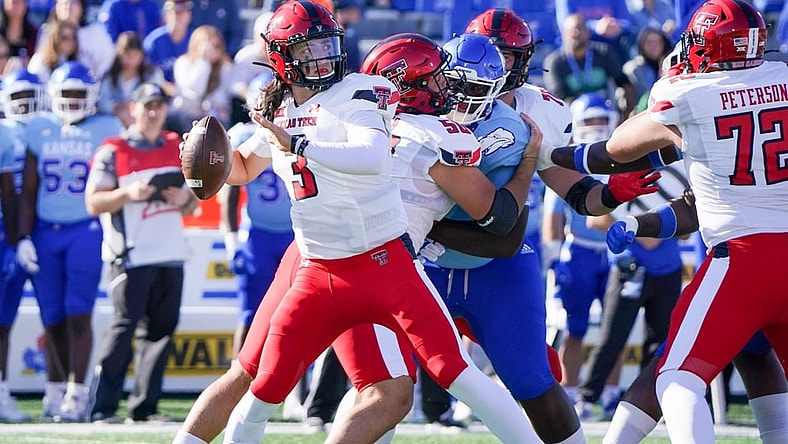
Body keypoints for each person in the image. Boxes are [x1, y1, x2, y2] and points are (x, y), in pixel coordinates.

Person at [172, 13, 544, 442]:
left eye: (327, 46)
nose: (323, 59)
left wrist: (298, 145)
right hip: (318, 267)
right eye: (309, 50)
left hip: (383, 262)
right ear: (280, 57)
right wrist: (199, 160)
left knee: (444, 374)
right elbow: (240, 168)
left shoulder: (361, 92)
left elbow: (370, 157)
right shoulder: (282, 109)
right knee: (263, 385)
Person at [550, 0, 788, 441]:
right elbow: (706, 186)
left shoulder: (687, 94)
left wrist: (549, 153)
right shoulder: (782, 78)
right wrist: (642, 224)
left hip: (743, 257)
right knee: (737, 358)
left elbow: (610, 153)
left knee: (677, 378)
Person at [459, 10, 658, 443]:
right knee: (389, 381)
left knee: (532, 379)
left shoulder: (540, 109)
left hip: (497, 252)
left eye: (510, 56)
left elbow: (574, 190)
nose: (500, 66)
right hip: (423, 254)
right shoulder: (434, 96)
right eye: (491, 54)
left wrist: (611, 193)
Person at [86, 82, 197, 424]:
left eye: (159, 106)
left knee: (161, 331)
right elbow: (93, 202)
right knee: (123, 330)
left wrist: (186, 200)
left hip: (169, 251)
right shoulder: (113, 150)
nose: (153, 112)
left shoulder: (176, 145)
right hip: (130, 254)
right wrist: (126, 193)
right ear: (133, 108)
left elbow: (193, 205)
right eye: (147, 106)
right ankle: (102, 407)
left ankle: (144, 406)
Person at [18, 61, 123, 422]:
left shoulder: (106, 128)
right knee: (53, 317)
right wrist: (23, 237)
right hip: (46, 232)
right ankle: (55, 388)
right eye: (68, 94)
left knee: (79, 313)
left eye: (81, 93)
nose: (74, 100)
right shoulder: (40, 128)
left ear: (92, 96)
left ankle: (77, 393)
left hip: (86, 228)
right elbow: (29, 190)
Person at [542, 93, 619, 419]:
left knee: (615, 331)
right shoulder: (568, 162)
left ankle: (611, 394)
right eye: (591, 122)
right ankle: (571, 391)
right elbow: (553, 221)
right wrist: (556, 258)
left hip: (616, 254)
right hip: (581, 253)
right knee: (574, 328)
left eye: (603, 121)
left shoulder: (623, 157)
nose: (598, 128)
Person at [0, 68, 46, 423]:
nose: (25, 105)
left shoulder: (47, 129)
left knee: (5, 320)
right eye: (18, 97)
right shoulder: (4, 132)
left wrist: (22, 236)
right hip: (9, 231)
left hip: (27, 231)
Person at [543, 13, 636, 116]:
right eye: (572, 30)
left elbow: (625, 84)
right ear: (563, 35)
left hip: (605, 114)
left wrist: (627, 113)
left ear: (588, 33)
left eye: (580, 28)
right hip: (573, 118)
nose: (576, 33)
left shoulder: (604, 52)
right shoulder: (554, 62)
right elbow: (557, 99)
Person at [169, 24, 234, 134]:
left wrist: (209, 108)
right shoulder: (183, 62)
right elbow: (195, 90)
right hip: (184, 112)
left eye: (217, 46)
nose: (213, 50)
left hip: (210, 114)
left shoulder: (225, 66)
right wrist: (203, 61)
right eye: (208, 47)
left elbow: (222, 97)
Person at [97, 31, 165, 127]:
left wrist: (136, 108)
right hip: (113, 122)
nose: (132, 59)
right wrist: (118, 108)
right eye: (128, 55)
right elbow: (102, 102)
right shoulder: (110, 76)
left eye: (136, 55)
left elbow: (158, 99)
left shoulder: (152, 74)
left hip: (144, 120)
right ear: (119, 54)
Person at [39, 0, 115, 80]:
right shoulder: (46, 32)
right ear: (56, 6)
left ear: (82, 7)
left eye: (73, 3)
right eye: (64, 3)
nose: (68, 7)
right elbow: (39, 68)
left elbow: (109, 62)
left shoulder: (96, 32)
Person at [142, 0, 193, 93]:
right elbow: (146, 72)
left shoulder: (195, 39)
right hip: (158, 92)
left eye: (184, 12)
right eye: (176, 12)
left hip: (188, 92)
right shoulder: (154, 41)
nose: (180, 17)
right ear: (166, 15)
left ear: (189, 15)